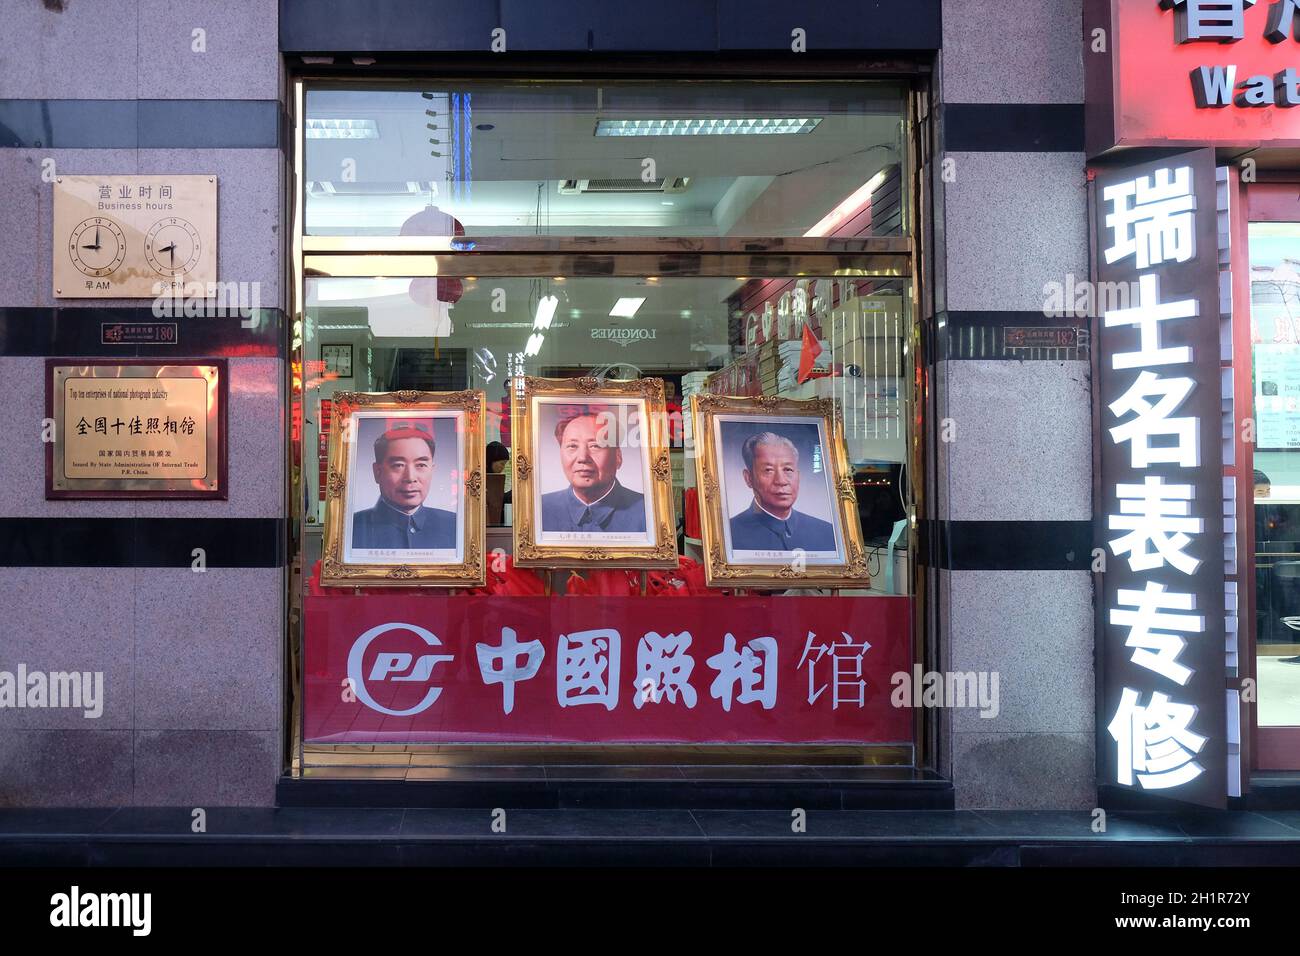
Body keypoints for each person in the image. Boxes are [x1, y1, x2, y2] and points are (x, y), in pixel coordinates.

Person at [351, 423, 457, 550]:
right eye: (398, 465)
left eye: (421, 465)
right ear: (377, 472)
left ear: (432, 470)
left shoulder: (454, 525)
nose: (410, 477)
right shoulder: (352, 528)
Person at [729, 431, 837, 552]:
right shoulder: (728, 534)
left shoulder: (828, 533)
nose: (781, 481)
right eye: (768, 470)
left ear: (798, 476)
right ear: (748, 478)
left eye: (788, 469)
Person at [539, 409, 646, 533]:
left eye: (595, 446)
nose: (583, 458)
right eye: (572, 446)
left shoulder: (646, 510)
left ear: (618, 456)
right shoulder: (540, 509)